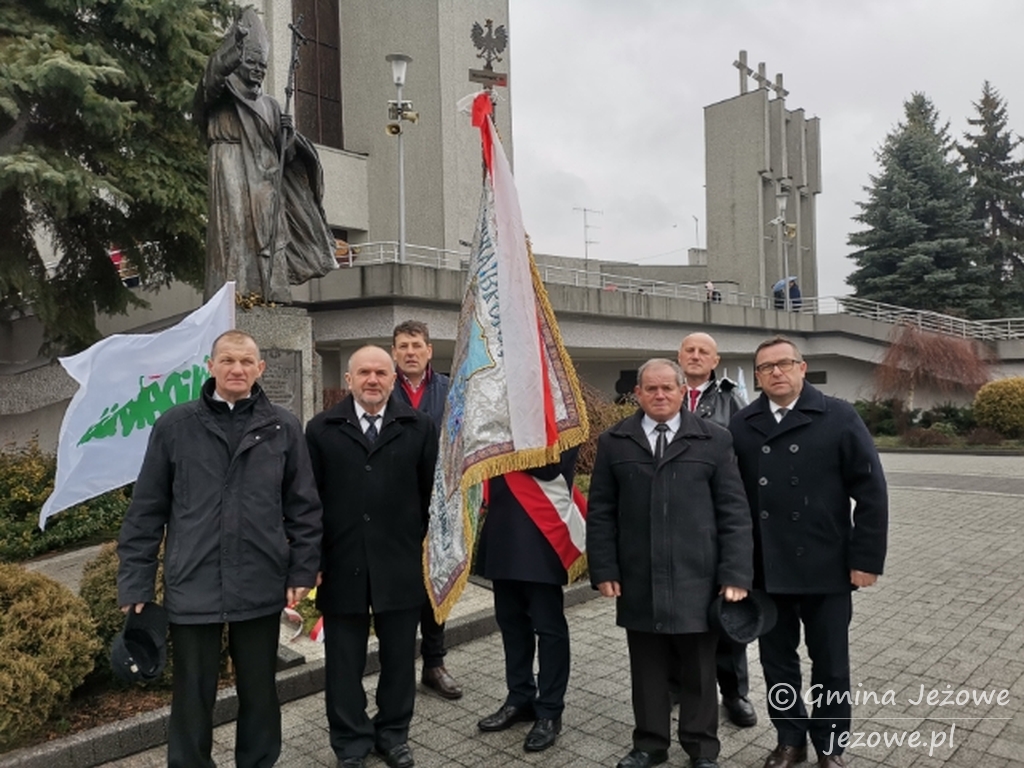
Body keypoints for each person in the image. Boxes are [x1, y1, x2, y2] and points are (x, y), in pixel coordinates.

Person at [117, 330, 322, 768]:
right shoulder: (175, 426)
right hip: (194, 583)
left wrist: (303, 570)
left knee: (260, 692)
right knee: (192, 696)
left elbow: (304, 508)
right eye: (227, 360)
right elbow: (146, 512)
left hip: (260, 580)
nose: (237, 369)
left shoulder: (283, 427)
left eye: (246, 362)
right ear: (210, 366)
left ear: (260, 369)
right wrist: (135, 583)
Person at [728, 336, 888, 768]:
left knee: (831, 664)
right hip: (767, 568)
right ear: (757, 377)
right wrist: (735, 568)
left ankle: (831, 746)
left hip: (827, 565)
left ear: (802, 367)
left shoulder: (838, 415)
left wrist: (865, 560)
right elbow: (731, 501)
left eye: (785, 363)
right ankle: (790, 740)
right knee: (777, 662)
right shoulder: (743, 424)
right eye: (766, 367)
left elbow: (871, 491)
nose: (776, 372)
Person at [587, 358, 753, 768]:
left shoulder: (714, 440)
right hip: (639, 576)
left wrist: (735, 574)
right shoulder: (615, 441)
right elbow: (601, 511)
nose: (660, 395)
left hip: (698, 577)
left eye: (668, 388)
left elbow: (734, 512)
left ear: (682, 392)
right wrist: (604, 568)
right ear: (638, 394)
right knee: (647, 669)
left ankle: (702, 748)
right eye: (651, 388)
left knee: (700, 669)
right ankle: (649, 745)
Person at [305, 346, 438, 768]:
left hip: (400, 563)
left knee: (399, 659)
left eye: (381, 372)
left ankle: (393, 735)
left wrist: (423, 549)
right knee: (344, 664)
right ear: (349, 380)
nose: (373, 380)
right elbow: (310, 501)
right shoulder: (321, 429)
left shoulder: (419, 427)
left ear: (394, 379)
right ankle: (350, 742)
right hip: (342, 562)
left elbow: (430, 495)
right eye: (364, 372)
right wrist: (313, 561)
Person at [194, 8, 335, 304]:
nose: (259, 69)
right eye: (252, 62)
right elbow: (211, 79)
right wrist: (233, 47)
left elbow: (285, 156)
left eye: (263, 65)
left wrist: (288, 137)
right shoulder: (222, 92)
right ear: (237, 61)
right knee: (233, 234)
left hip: (264, 180)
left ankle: (271, 294)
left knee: (269, 233)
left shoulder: (270, 104)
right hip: (230, 162)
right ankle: (234, 297)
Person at [474, 449, 580, 754]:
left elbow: (551, 468)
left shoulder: (562, 417)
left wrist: (509, 443)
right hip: (504, 525)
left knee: (549, 628)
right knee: (510, 622)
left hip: (541, 528)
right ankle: (519, 697)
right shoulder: (499, 420)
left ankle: (550, 710)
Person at [675, 332, 756, 729]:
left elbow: (744, 461)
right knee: (675, 610)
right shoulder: (664, 394)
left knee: (726, 612)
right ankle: (676, 685)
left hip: (715, 521)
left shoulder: (731, 400)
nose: (695, 356)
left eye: (703, 351)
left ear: (715, 360)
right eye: (689, 350)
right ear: (679, 356)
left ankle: (734, 692)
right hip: (672, 523)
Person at [390, 320, 462, 700]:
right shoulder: (382, 388)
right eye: (403, 346)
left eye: (416, 345)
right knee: (400, 587)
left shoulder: (449, 391)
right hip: (394, 505)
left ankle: (434, 664)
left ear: (429, 350)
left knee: (435, 584)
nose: (410, 352)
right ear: (394, 352)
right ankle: (399, 666)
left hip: (439, 506)